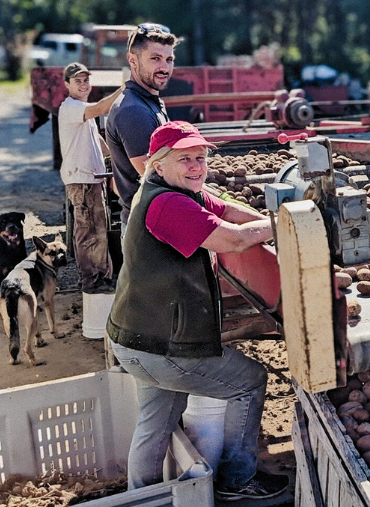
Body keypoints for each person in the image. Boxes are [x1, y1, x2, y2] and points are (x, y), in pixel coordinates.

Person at [106, 121, 290, 501]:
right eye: (185, 159)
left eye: (201, 158)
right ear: (158, 164)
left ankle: (140, 497)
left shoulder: (170, 191)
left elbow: (228, 211)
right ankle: (237, 481)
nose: (196, 166)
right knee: (249, 382)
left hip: (135, 340)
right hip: (161, 347)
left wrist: (267, 220)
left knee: (156, 424)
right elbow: (234, 240)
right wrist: (289, 222)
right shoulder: (168, 204)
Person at [105, 23, 178, 231]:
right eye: (155, 58)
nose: (164, 67)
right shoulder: (133, 111)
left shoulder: (149, 101)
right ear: (133, 60)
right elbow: (156, 175)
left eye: (169, 59)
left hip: (157, 217)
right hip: (148, 228)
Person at [58, 62, 123, 293]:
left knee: (99, 230)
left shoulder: (83, 109)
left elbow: (100, 143)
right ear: (67, 84)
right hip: (81, 180)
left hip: (94, 179)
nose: (83, 85)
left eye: (86, 80)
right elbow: (102, 108)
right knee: (87, 232)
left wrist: (120, 159)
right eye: (78, 81)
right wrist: (125, 88)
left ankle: (102, 278)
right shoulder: (71, 108)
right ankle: (90, 282)